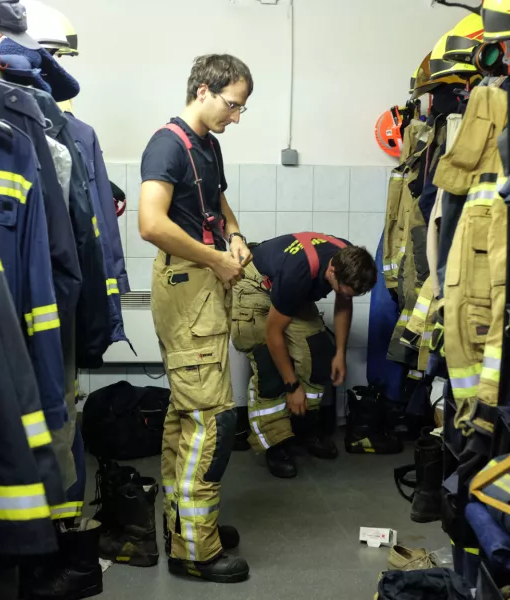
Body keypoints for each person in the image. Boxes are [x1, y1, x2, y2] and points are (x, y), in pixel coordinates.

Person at [138, 54, 253, 584]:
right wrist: (214, 258)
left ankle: (184, 525)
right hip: (189, 285)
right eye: (233, 104)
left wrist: (235, 237)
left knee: (187, 414)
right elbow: (150, 223)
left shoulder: (208, 146)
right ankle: (194, 552)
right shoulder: (168, 144)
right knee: (211, 422)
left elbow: (220, 206)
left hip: (204, 283)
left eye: (241, 107)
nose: (236, 116)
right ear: (204, 92)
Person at [230, 233, 377, 478]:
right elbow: (273, 334)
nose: (344, 294)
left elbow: (343, 303)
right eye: (343, 289)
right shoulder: (298, 272)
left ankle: (303, 428)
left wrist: (340, 353)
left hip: (289, 287)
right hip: (256, 285)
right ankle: (275, 443)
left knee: (320, 354)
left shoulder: (349, 259)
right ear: (331, 271)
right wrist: (292, 386)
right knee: (269, 365)